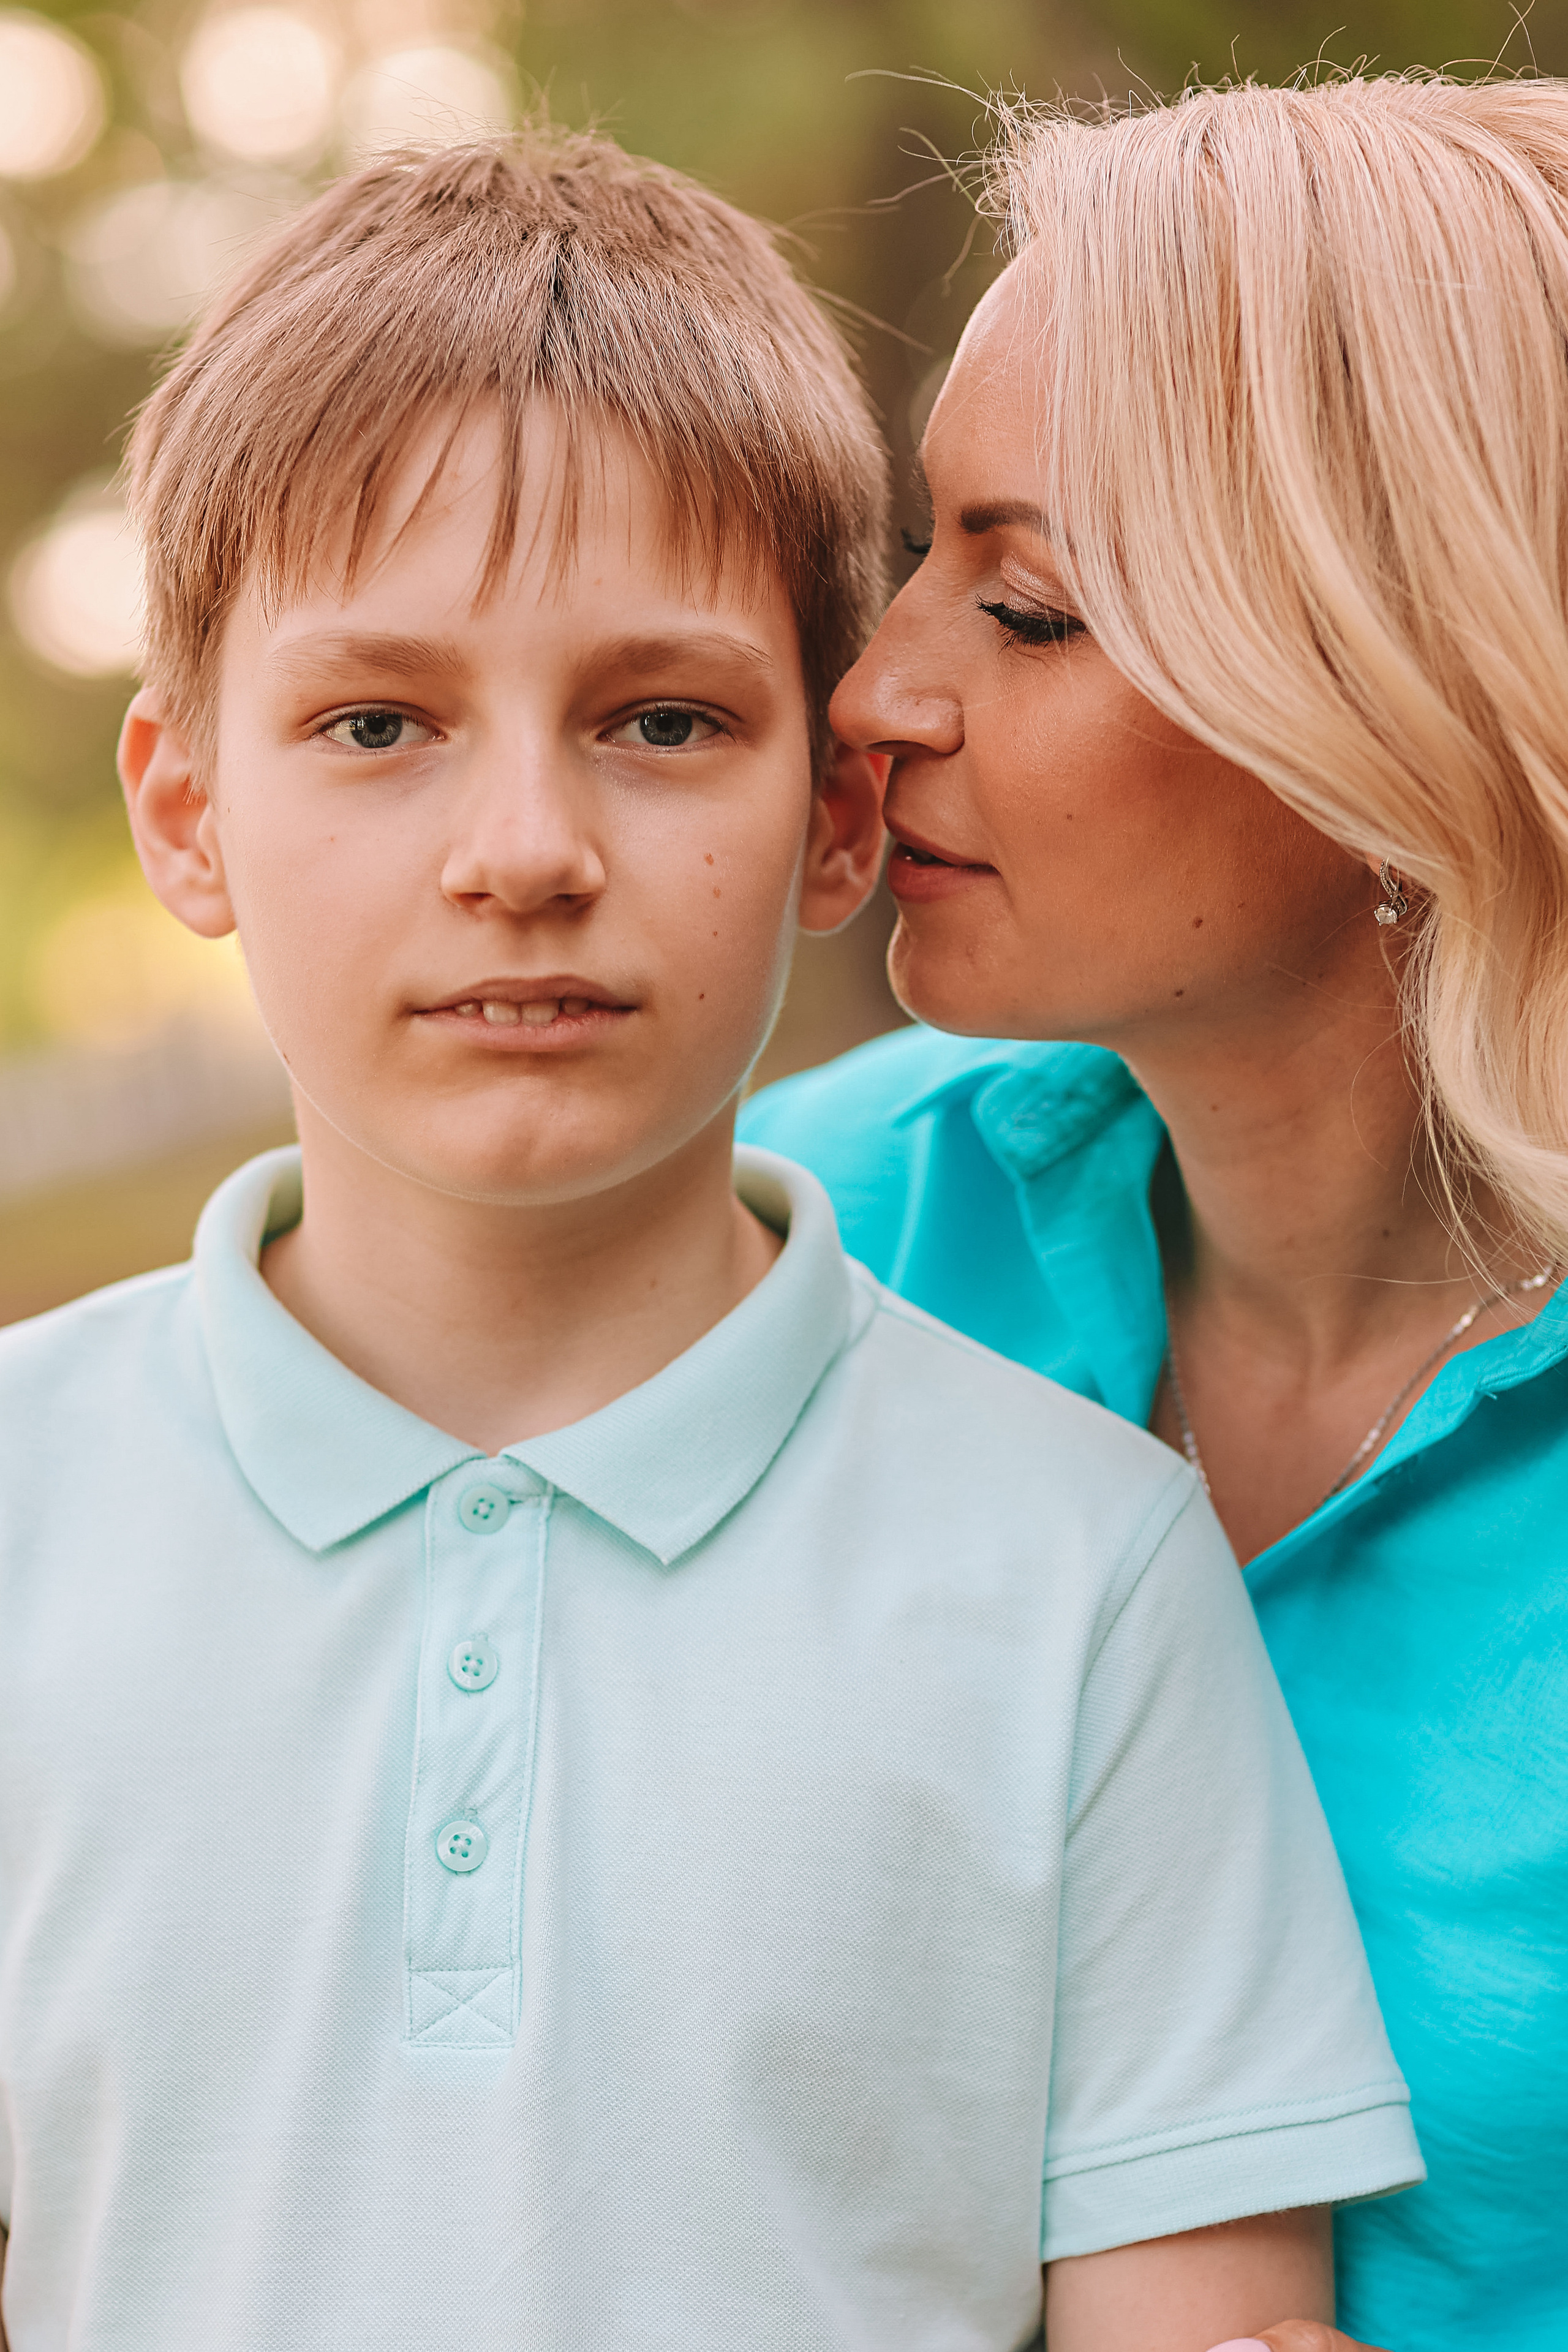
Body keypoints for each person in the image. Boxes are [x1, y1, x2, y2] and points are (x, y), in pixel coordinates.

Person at [0, 132, 1420, 2352]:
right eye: (378, 725)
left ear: (842, 817)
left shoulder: (1086, 1570)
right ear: (187, 812)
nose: (525, 850)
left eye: (662, 723)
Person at [742, 69, 1568, 2352]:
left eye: (1023, 607)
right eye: (920, 562)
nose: (872, 691)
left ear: (1398, 703)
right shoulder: (806, 1245)